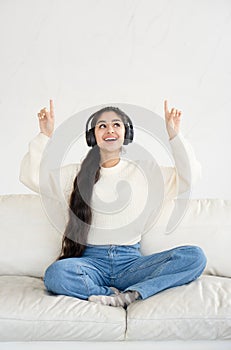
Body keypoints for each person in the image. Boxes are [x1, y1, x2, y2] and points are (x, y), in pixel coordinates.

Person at [19, 99, 207, 308]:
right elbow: (32, 176)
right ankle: (109, 295)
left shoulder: (145, 172)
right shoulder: (74, 174)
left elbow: (189, 177)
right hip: (91, 264)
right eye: (102, 126)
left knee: (194, 257)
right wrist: (45, 135)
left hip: (131, 263)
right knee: (56, 274)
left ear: (126, 133)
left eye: (116, 124)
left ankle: (135, 293)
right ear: (93, 136)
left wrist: (174, 136)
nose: (110, 130)